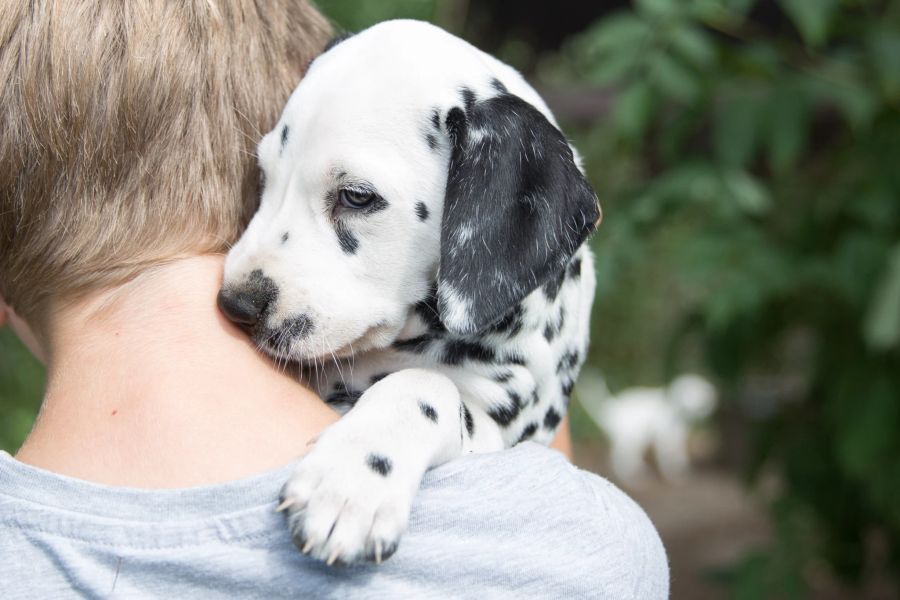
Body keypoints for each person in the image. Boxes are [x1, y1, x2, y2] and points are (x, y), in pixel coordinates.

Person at [0, 2, 669, 598]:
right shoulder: (583, 554)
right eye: (264, 184)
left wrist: (435, 389)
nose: (245, 275)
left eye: (354, 199)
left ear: (488, 222)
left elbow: (492, 391)